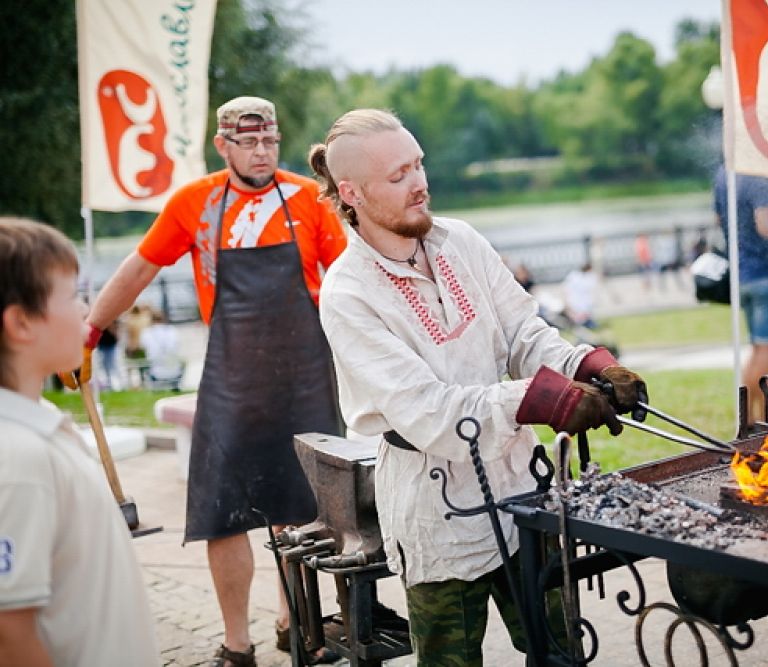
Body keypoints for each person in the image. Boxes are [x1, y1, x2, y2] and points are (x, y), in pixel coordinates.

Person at [309, 108, 647, 665]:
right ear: (353, 192)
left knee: (561, 652)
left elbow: (522, 333)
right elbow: (432, 414)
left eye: (418, 165)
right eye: (397, 176)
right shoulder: (348, 294)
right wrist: (545, 400)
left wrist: (586, 364)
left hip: (520, 484)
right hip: (432, 507)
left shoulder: (459, 240)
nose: (419, 183)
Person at [59, 97, 348, 666]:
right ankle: (237, 645)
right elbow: (140, 267)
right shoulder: (197, 202)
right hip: (233, 379)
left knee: (308, 510)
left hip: (307, 376)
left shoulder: (309, 198)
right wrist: (90, 329)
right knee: (223, 512)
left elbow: (347, 283)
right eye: (249, 142)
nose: (262, 153)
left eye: (269, 141)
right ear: (222, 145)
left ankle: (303, 626)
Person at [0, 217, 159, 666]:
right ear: (21, 323)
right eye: (73, 296)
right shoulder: (16, 457)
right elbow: (9, 633)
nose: (88, 307)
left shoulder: (42, 423)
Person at [713, 166, 768, 423]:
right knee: (766, 349)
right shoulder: (757, 178)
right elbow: (766, 226)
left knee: (756, 347)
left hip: (740, 274)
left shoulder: (724, 174)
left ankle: (750, 417)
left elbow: (719, 219)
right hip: (764, 272)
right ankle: (765, 416)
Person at [139, 309, 184, 389]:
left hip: (155, 373)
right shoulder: (172, 331)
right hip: (175, 372)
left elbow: (143, 347)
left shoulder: (147, 333)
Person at [562, 261, 599, 329]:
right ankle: (581, 324)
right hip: (577, 301)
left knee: (582, 314)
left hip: (579, 301)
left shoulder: (574, 275)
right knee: (580, 315)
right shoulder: (584, 277)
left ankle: (583, 324)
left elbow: (565, 288)